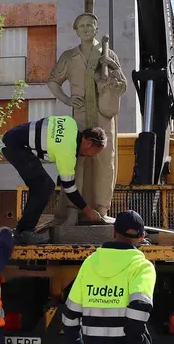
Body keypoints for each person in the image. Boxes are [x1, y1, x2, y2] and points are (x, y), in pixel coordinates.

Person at [61, 210, 160, 344]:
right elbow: (139, 309)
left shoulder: (90, 263)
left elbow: (69, 314)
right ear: (141, 238)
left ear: (114, 233)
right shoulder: (141, 266)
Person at [48, 11, 127, 225]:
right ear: (76, 31)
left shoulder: (108, 53)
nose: (86, 29)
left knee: (105, 162)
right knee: (76, 164)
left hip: (103, 115)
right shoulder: (69, 56)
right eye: (81, 25)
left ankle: (102, 208)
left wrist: (110, 66)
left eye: (90, 25)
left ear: (96, 28)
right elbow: (53, 82)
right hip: (80, 117)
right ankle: (73, 210)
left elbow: (122, 84)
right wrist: (66, 99)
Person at [0, 114, 107, 244]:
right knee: (44, 186)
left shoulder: (70, 123)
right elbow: (69, 188)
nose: (92, 156)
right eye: (94, 152)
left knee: (41, 185)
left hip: (14, 137)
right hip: (15, 146)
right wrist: (87, 210)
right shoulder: (68, 151)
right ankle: (24, 232)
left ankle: (23, 229)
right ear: (88, 143)